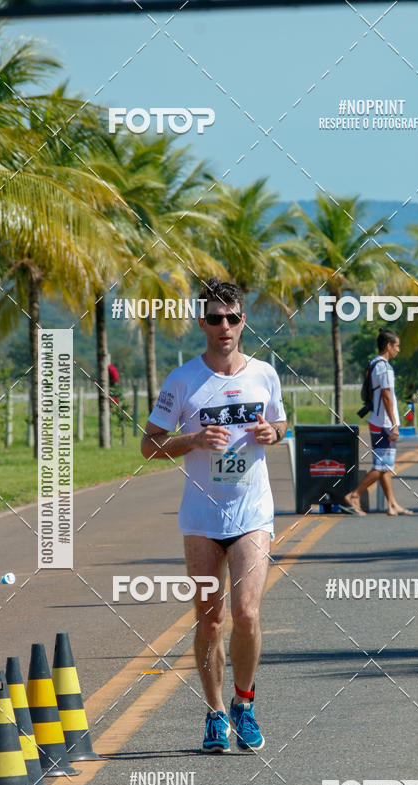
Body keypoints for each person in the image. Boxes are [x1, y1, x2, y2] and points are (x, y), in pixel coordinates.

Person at [141, 279, 287, 754]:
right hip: (202, 518)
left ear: (243, 322)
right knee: (209, 620)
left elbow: (280, 423)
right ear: (202, 323)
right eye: (215, 318)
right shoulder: (183, 380)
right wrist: (195, 440)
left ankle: (245, 704)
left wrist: (272, 433)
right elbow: (150, 444)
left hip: (252, 512)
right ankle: (215, 712)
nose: (224, 326)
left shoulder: (264, 373)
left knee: (245, 614)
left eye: (233, 317)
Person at [343, 328, 413, 516]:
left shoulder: (374, 363)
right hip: (383, 423)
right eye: (396, 346)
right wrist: (394, 423)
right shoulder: (385, 367)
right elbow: (386, 396)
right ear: (388, 346)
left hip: (378, 420)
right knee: (382, 466)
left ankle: (392, 504)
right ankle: (354, 495)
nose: (398, 350)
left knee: (385, 466)